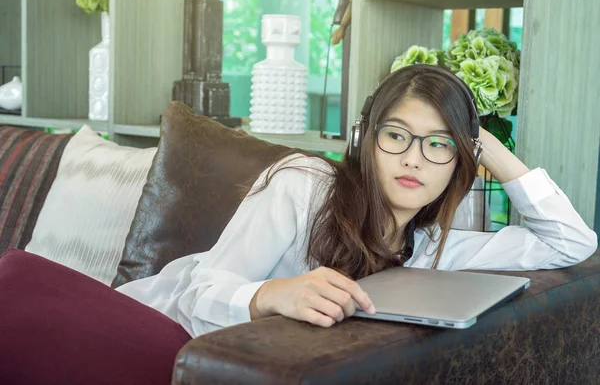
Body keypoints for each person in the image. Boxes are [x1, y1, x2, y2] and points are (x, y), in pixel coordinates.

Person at [116, 64, 598, 338]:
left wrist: (482, 143)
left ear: (459, 162)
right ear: (365, 140)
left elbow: (572, 242)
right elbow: (197, 294)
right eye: (396, 135)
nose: (413, 159)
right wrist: (271, 295)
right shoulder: (304, 185)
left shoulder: (435, 249)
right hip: (146, 331)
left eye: (438, 144)